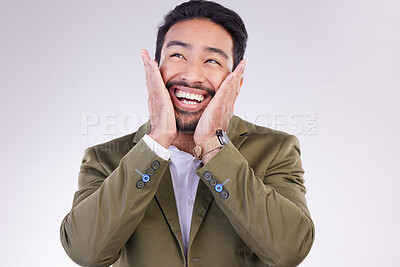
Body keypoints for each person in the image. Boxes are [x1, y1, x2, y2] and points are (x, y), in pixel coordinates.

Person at [60, 0, 315, 266]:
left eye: (212, 60)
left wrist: (213, 146)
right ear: (155, 69)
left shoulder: (275, 150)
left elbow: (289, 251)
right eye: (178, 56)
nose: (192, 75)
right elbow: (85, 252)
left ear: (235, 82)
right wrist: (157, 141)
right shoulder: (104, 158)